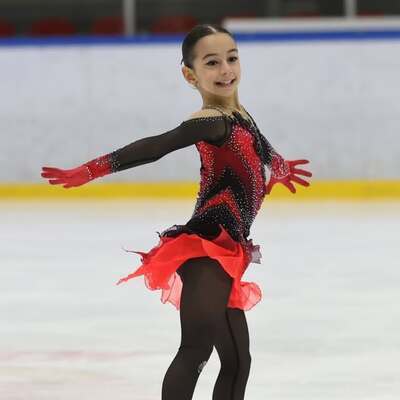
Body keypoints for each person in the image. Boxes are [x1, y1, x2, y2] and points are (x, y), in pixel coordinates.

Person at [41, 24, 312, 400]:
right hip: (206, 248)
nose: (225, 70)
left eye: (232, 58)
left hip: (228, 249)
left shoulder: (240, 115)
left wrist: (278, 166)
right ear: (190, 75)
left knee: (237, 361)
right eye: (212, 62)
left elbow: (260, 145)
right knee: (196, 350)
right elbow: (156, 146)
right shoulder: (210, 120)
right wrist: (91, 170)